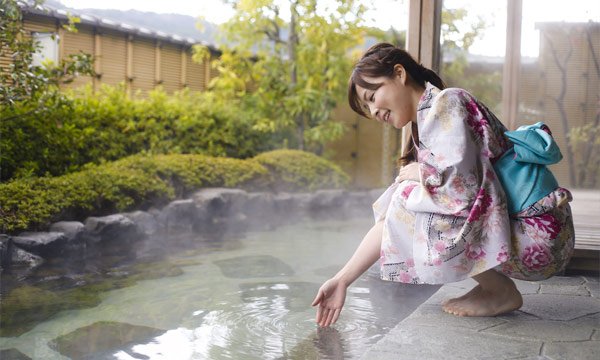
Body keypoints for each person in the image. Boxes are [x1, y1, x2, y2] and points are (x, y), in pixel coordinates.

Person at [311, 43, 575, 327]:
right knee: (406, 197)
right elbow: (394, 217)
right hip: (527, 237)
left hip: (539, 234)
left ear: (399, 73)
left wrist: (421, 174)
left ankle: (498, 291)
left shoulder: (448, 102)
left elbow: (462, 192)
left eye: (372, 96)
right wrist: (342, 280)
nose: (374, 111)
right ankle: (494, 287)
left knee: (410, 196)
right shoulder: (427, 126)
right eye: (368, 107)